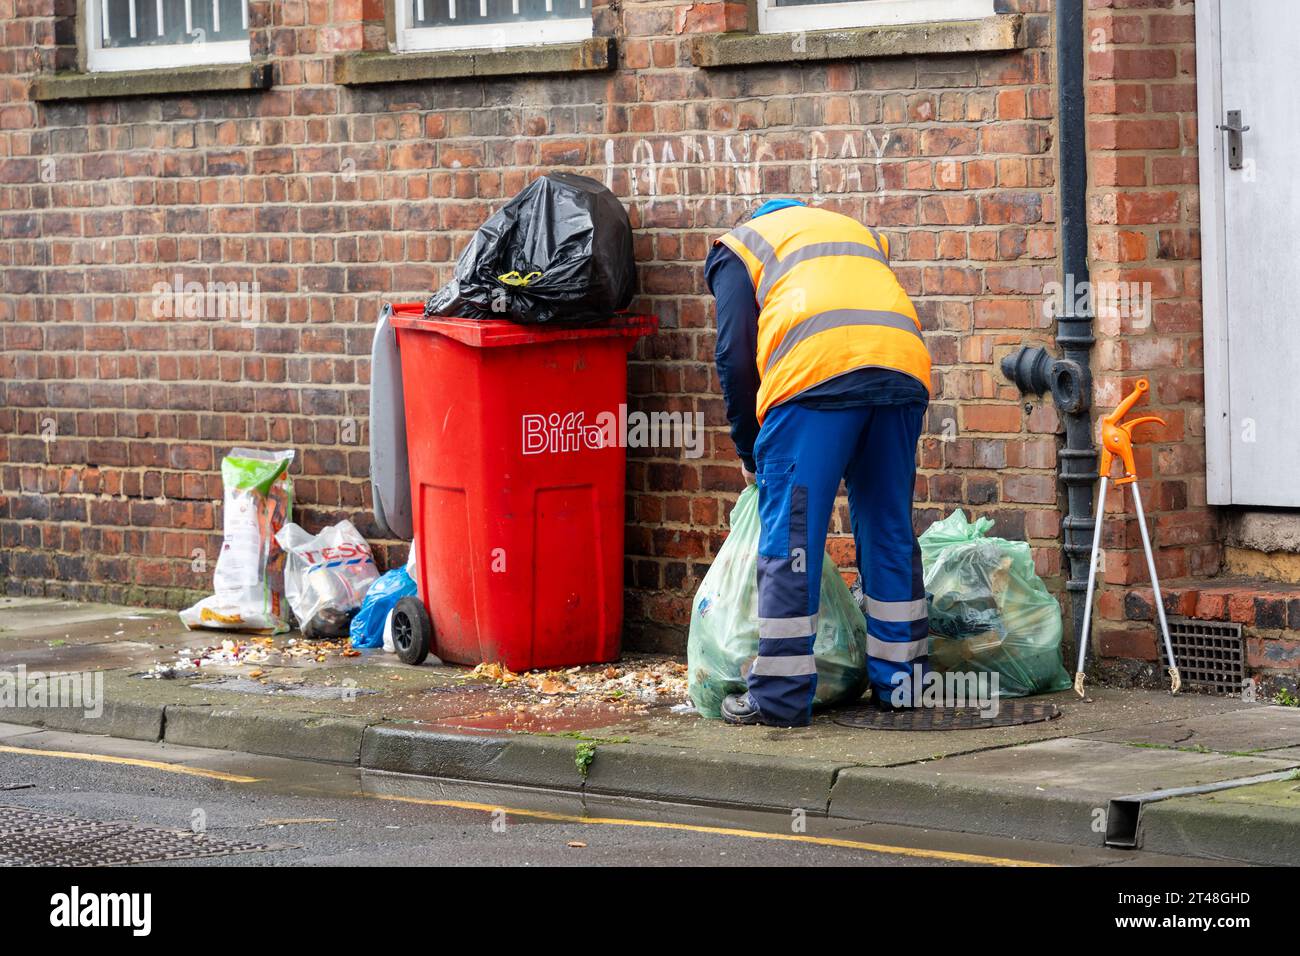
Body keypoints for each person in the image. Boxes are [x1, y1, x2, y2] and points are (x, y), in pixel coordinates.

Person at [705, 199, 932, 727]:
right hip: (901, 372)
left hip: (814, 383)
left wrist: (748, 448)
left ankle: (781, 696)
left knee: (794, 536)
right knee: (888, 524)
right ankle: (904, 684)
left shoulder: (740, 246)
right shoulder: (854, 233)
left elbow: (734, 356)